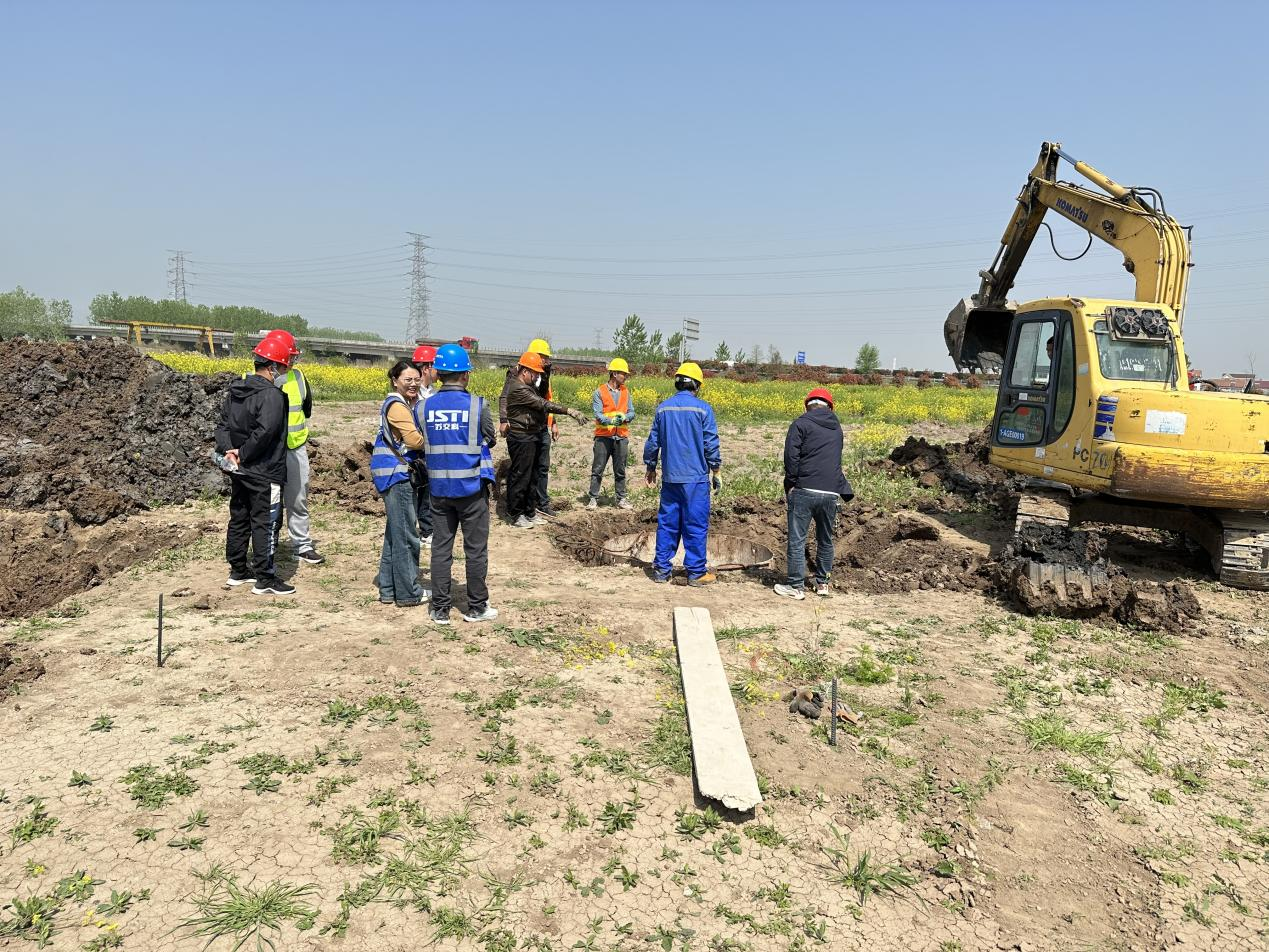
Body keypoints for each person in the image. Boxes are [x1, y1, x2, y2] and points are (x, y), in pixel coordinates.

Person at [422, 343, 499, 624]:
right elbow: (490, 437)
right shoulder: (478, 406)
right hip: (471, 490)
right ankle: (477, 607)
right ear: (465, 375)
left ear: (438, 374)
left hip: (439, 491)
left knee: (441, 549)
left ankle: (440, 609)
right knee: (475, 549)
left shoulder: (424, 407)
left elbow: (423, 441)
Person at [215, 335, 294, 596]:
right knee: (266, 522)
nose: (286, 371)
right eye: (285, 365)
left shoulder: (237, 390)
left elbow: (223, 426)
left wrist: (231, 453)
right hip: (264, 469)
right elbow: (266, 432)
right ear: (273, 367)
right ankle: (265, 577)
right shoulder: (271, 395)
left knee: (239, 516)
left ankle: (238, 569)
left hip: (239, 469)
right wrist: (244, 453)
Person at [643, 362, 721, 586]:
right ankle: (696, 573)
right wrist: (716, 470)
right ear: (696, 385)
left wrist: (650, 467)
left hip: (670, 479)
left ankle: (661, 570)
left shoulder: (663, 409)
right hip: (695, 481)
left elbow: (653, 443)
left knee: (667, 524)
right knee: (695, 525)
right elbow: (710, 443)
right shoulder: (703, 409)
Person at [774, 388, 854, 600]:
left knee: (797, 540)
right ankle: (823, 584)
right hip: (830, 492)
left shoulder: (800, 424)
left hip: (804, 489)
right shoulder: (837, 429)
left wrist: (791, 484)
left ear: (808, 405)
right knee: (825, 539)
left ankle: (796, 586)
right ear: (829, 407)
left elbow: (791, 458)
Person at [262, 329, 325, 566]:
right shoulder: (258, 379)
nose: (292, 361)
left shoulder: (298, 378)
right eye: (289, 356)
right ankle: (266, 545)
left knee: (298, 498)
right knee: (267, 501)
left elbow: (305, 409)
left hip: (294, 449)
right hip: (267, 452)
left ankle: (302, 545)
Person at [369, 360, 428, 608]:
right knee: (406, 536)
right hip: (398, 476)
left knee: (394, 535)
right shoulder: (397, 406)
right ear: (395, 380)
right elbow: (414, 440)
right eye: (408, 380)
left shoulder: (401, 403)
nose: (413, 384)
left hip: (392, 474)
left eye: (416, 379)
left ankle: (388, 588)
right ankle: (408, 592)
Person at [505, 350, 586, 528]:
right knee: (521, 477)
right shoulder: (518, 388)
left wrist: (546, 374)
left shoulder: (529, 386)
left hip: (531, 435)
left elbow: (542, 394)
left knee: (533, 476)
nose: (536, 377)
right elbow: (543, 403)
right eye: (534, 374)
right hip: (521, 437)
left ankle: (530, 511)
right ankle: (516, 514)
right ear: (524, 371)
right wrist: (569, 411)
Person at [500, 338, 559, 518]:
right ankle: (520, 508)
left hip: (541, 426)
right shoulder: (517, 374)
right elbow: (504, 397)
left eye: (547, 358)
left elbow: (545, 401)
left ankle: (539, 504)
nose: (546, 360)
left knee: (541, 467)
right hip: (525, 429)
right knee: (524, 470)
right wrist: (504, 419)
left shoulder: (544, 374)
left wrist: (553, 422)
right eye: (543, 357)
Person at [586, 357, 636, 509]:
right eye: (623, 374)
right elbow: (598, 414)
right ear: (614, 374)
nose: (625, 376)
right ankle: (593, 498)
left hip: (621, 437)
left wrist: (625, 418)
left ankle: (621, 499)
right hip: (603, 437)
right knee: (598, 468)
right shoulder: (599, 392)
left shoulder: (626, 392)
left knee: (620, 469)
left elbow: (632, 412)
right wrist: (611, 421)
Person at [411, 345, 439, 547]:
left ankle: (427, 529)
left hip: (430, 448)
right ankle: (424, 531)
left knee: (428, 490)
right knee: (418, 490)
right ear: (427, 367)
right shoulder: (413, 393)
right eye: (436, 366)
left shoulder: (432, 392)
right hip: (415, 448)